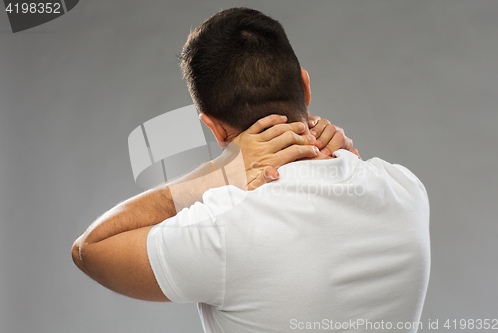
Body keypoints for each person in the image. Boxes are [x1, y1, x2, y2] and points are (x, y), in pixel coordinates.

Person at [72, 7, 430, 333]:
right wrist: (338, 150)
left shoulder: (225, 226)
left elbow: (90, 248)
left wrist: (220, 171)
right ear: (305, 86)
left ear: (214, 128)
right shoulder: (405, 190)